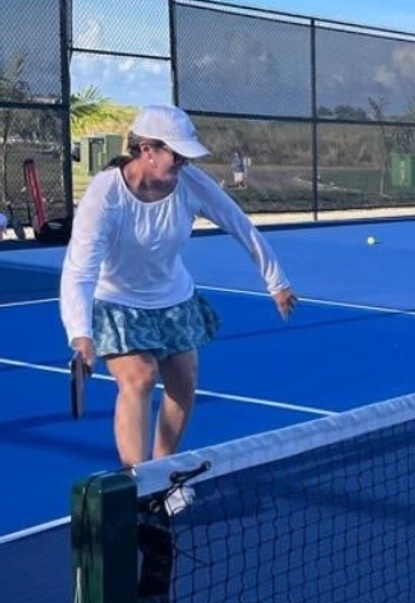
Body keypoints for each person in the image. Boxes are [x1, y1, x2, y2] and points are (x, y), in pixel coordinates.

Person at [59, 104, 297, 478]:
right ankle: (137, 484)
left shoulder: (191, 182)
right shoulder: (105, 196)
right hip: (117, 301)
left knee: (184, 384)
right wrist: (81, 334)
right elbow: (79, 269)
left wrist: (277, 281)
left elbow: (238, 223)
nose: (184, 161)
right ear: (147, 150)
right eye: (176, 152)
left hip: (174, 298)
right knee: (139, 377)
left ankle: (164, 470)